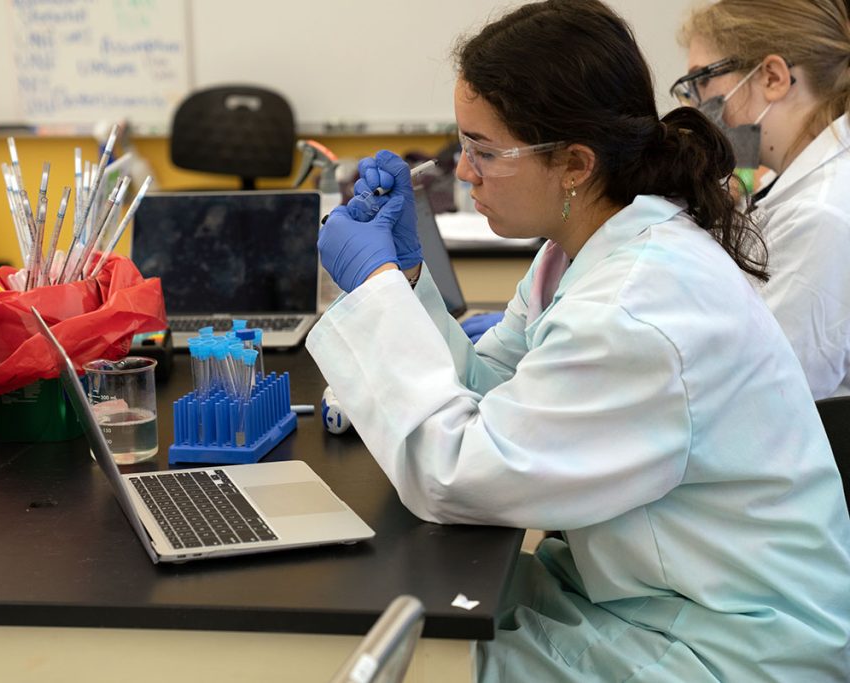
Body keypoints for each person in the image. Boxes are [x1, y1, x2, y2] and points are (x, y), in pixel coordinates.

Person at [308, 0, 850, 680]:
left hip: (736, 646)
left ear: (574, 164)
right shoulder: (584, 245)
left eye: (484, 151)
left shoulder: (637, 306)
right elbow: (492, 392)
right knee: (399, 617)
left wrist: (375, 290)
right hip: (652, 597)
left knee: (415, 653)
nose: (464, 173)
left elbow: (457, 473)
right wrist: (410, 281)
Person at [676, 0, 850, 399]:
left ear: (772, 77)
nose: (693, 106)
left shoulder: (821, 214)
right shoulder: (792, 184)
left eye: (701, 81)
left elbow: (769, 395)